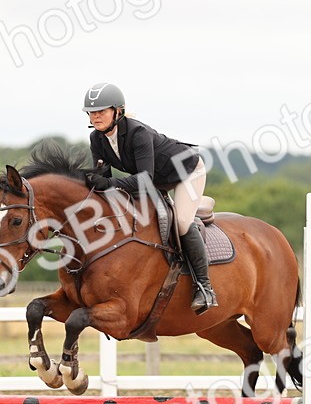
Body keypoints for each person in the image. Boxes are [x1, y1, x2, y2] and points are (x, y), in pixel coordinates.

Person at [80, 82, 218, 312]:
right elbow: (103, 180)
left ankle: (205, 288)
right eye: (92, 112)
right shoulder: (97, 139)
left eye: (101, 111)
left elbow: (143, 179)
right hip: (155, 179)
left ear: (118, 111)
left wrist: (111, 182)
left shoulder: (137, 133)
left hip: (187, 171)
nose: (95, 117)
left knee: (182, 222)